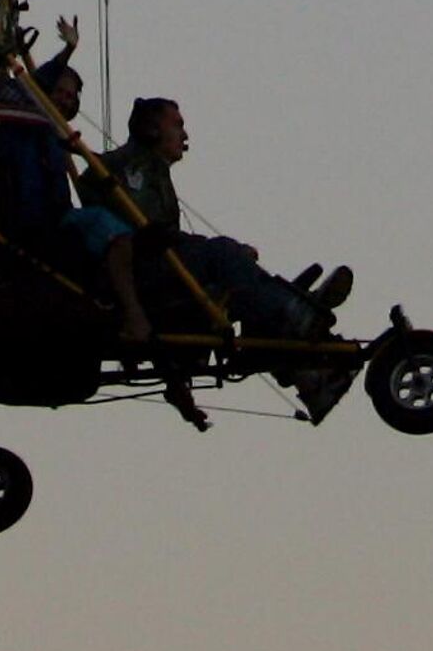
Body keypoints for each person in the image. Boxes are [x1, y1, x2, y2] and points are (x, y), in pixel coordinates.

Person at [85, 97, 357, 421]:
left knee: (235, 276)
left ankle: (306, 366)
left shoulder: (152, 171)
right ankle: (292, 311)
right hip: (143, 274)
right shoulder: (132, 166)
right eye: (178, 125)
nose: (185, 135)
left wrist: (180, 396)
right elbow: (147, 232)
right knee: (224, 254)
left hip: (157, 273)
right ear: (152, 128)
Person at [0, 17, 155, 348]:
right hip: (30, 219)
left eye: (71, 96)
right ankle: (134, 315)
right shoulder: (19, 122)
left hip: (57, 216)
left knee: (129, 236)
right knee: (117, 234)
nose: (65, 100)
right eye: (60, 93)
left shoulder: (55, 137)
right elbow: (32, 87)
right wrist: (68, 50)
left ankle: (117, 299)